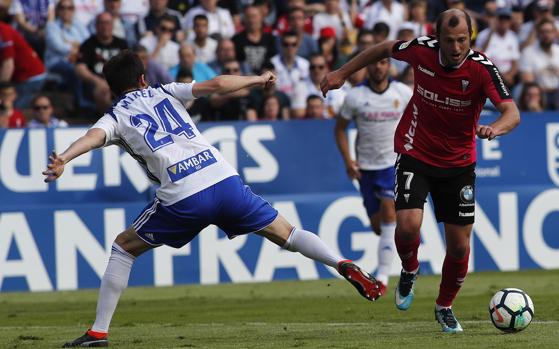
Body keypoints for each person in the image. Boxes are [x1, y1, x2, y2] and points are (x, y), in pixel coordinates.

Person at [48, 50, 381, 347]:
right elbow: (217, 84)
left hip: (183, 194)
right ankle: (340, 263)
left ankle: (98, 333)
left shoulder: (115, 116)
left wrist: (64, 156)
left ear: (110, 87)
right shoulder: (165, 91)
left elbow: (92, 137)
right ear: (142, 78)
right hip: (223, 179)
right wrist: (257, 78)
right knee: (288, 234)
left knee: (124, 246)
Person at [321, 8, 520, 333]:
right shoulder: (421, 50)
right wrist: (342, 72)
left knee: (458, 246)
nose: (456, 48)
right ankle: (409, 269)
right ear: (436, 37)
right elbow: (384, 48)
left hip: (458, 164)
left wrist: (496, 128)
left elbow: (512, 112)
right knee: (408, 224)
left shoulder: (482, 69)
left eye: (462, 40)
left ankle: (444, 306)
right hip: (416, 152)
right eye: (449, 40)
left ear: (469, 37)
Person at [334, 57, 412, 295]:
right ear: (368, 66)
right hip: (366, 169)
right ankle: (398, 251)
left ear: (389, 66)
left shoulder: (403, 92)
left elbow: (419, 118)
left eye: (383, 63)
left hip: (393, 164)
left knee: (390, 212)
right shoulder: (355, 97)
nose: (378, 67)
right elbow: (339, 129)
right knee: (380, 227)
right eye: (375, 63)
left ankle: (382, 278)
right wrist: (348, 161)